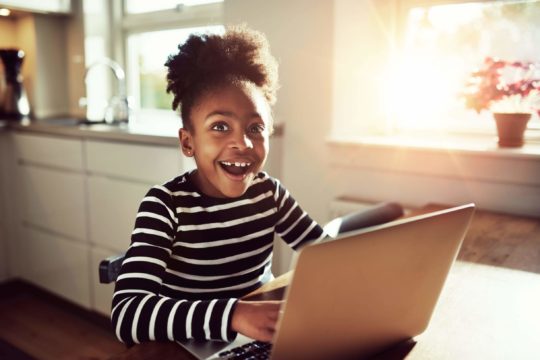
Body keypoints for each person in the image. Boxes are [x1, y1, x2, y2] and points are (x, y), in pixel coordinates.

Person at [111, 25, 326, 347]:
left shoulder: (270, 194)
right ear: (188, 142)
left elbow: (325, 255)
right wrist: (234, 315)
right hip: (187, 343)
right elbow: (127, 315)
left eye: (255, 128)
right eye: (220, 126)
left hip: (255, 340)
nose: (242, 143)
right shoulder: (165, 206)